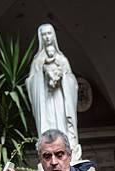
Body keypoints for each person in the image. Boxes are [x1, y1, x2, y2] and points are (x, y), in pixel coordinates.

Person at [26, 24, 81, 159]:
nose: (47, 37)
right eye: (44, 34)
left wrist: (63, 77)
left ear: (53, 36)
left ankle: (66, 149)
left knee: (62, 126)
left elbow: (73, 83)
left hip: (61, 100)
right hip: (46, 102)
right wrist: (42, 74)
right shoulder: (37, 61)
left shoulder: (62, 59)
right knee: (49, 126)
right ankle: (50, 150)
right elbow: (30, 83)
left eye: (49, 33)